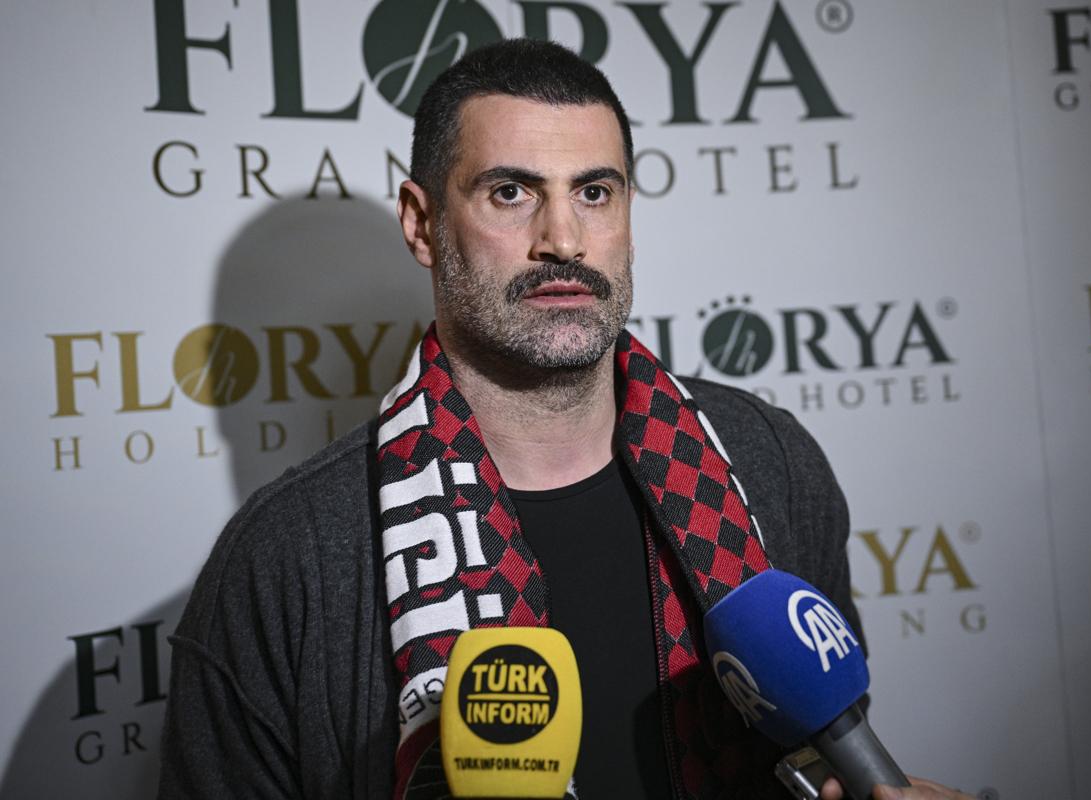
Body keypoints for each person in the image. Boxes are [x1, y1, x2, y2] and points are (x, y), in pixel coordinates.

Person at [159, 38, 971, 800]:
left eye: (594, 192)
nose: (563, 239)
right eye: (510, 193)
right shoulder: (285, 559)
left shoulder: (770, 462)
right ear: (421, 224)